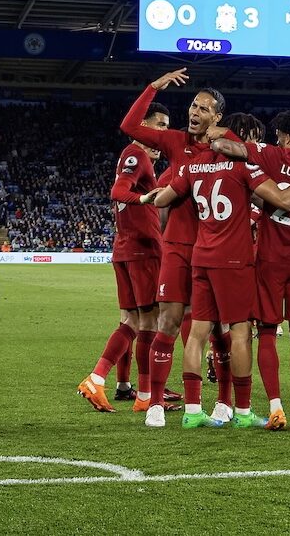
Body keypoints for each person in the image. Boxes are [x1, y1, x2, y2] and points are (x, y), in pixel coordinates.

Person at [154, 113, 290, 429]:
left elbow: (161, 198)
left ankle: (192, 411)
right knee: (241, 333)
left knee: (198, 333)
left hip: (200, 256)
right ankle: (242, 411)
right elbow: (284, 200)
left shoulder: (193, 165)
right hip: (233, 260)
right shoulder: (244, 165)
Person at [119, 68, 238, 428]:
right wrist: (152, 86)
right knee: (168, 323)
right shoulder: (174, 142)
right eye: (193, 105)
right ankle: (154, 403)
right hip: (176, 248)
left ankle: (224, 402)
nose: (194, 112)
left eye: (203, 108)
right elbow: (131, 127)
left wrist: (227, 136)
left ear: (216, 116)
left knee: (217, 328)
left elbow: (251, 156)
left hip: (212, 249)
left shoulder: (225, 147)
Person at [210, 108, 290, 431]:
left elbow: (226, 146)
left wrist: (218, 132)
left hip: (269, 260)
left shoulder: (270, 155)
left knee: (267, 333)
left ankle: (275, 408)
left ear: (285, 135)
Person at [77, 103, 171, 413]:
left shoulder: (136, 157)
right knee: (150, 322)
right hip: (143, 250)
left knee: (132, 321)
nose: (163, 131)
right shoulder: (137, 154)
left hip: (127, 248)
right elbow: (119, 191)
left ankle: (111, 384)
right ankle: (137, 391)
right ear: (143, 124)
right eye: (159, 124)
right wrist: (143, 198)